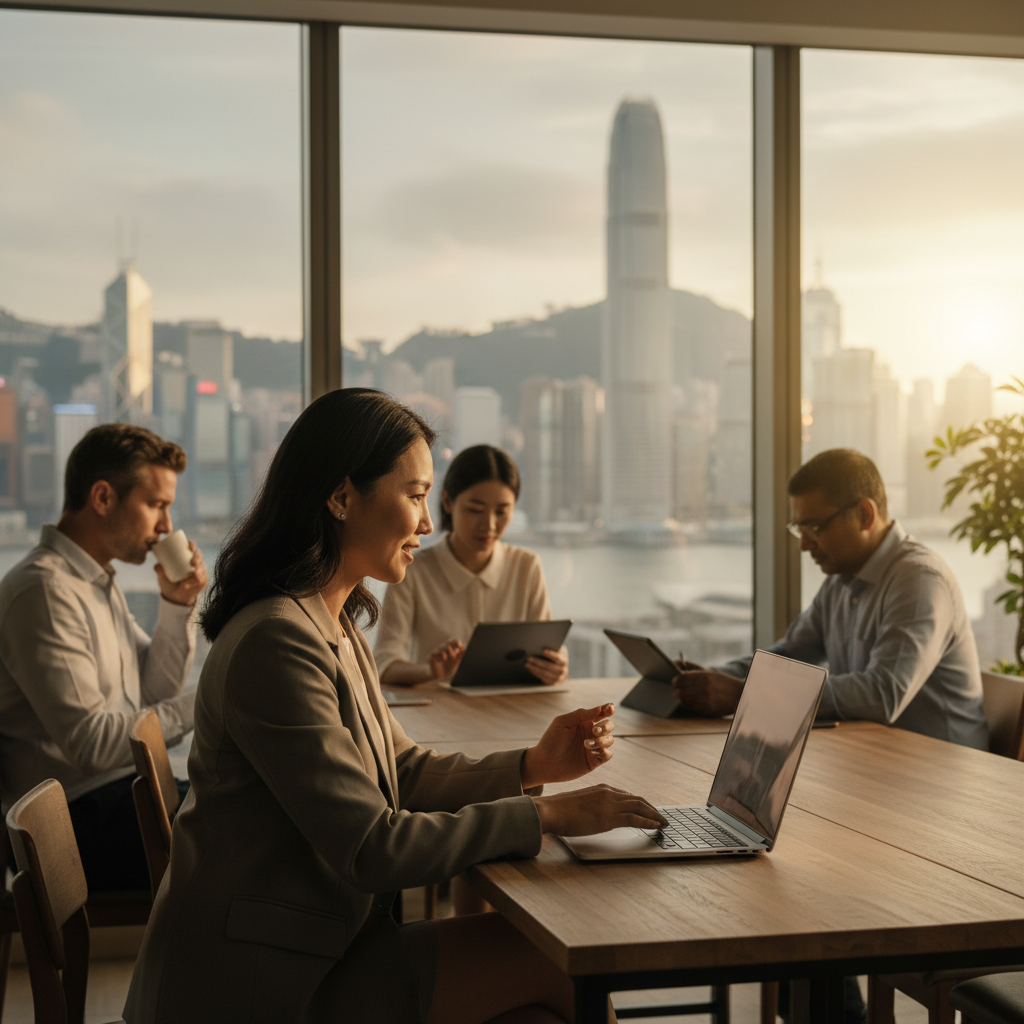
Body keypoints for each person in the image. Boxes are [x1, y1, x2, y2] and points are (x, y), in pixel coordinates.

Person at [123, 388, 665, 1024]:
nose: (429, 523)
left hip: (318, 946)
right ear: (342, 497)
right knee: (560, 967)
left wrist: (530, 763)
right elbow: (374, 847)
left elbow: (401, 772)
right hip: (262, 984)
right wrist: (546, 814)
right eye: (415, 495)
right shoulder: (277, 640)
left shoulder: (329, 620)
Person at [0, 423, 206, 891]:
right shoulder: (45, 591)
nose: (166, 527)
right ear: (103, 498)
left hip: (114, 801)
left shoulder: (94, 582)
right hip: (73, 826)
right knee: (260, 829)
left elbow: (154, 693)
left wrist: (176, 606)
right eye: (156, 504)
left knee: (261, 809)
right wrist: (209, 700)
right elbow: (91, 745)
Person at [672, 447, 988, 749]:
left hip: (944, 779)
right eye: (799, 529)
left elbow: (882, 694)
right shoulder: (841, 579)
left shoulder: (919, 581)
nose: (804, 545)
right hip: (873, 761)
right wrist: (710, 679)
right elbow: (789, 654)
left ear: (865, 515)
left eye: (814, 527)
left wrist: (748, 693)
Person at [376, 443, 568, 687]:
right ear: (447, 502)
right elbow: (385, 664)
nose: (488, 525)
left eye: (502, 511)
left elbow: (546, 649)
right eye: (475, 509)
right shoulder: (413, 569)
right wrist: (432, 671)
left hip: (511, 710)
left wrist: (556, 666)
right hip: (439, 714)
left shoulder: (526, 566)